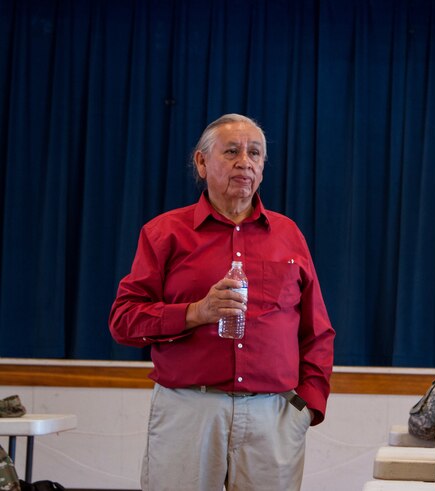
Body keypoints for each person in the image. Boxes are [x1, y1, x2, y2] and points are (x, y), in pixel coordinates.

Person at [110, 114, 335, 491]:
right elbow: (124, 320)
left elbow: (317, 330)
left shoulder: (289, 235)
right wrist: (195, 312)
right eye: (231, 151)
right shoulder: (165, 233)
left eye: (255, 153)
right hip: (190, 409)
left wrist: (307, 407)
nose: (244, 161)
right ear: (201, 162)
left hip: (274, 414)